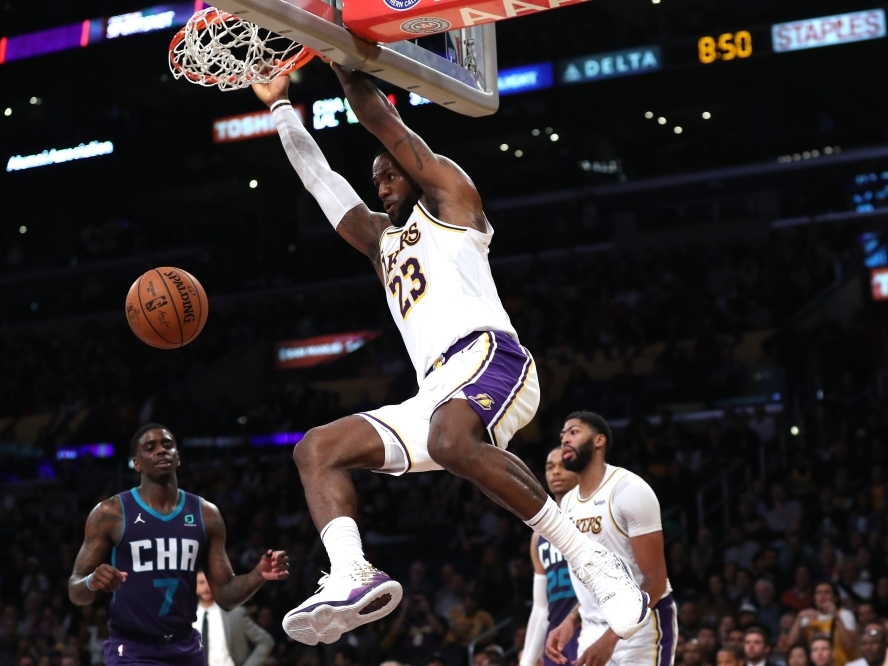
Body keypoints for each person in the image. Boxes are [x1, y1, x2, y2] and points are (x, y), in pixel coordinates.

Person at [250, 68, 648, 646]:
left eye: (391, 172)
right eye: (377, 178)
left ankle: (588, 558)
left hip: (491, 354)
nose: (383, 181)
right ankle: (351, 572)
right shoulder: (379, 241)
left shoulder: (452, 200)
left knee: (449, 441)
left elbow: (383, 121)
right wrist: (282, 106)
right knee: (317, 448)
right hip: (434, 388)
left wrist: (342, 61)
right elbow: (319, 178)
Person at [67, 424, 289, 666]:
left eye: (168, 445)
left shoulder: (206, 514)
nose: (161, 451)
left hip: (185, 647)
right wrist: (91, 581)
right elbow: (75, 590)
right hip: (132, 649)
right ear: (137, 463)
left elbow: (225, 595)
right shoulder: (110, 513)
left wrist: (258, 575)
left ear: (178, 458)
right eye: (150, 448)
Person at [545, 412, 673, 666]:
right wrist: (572, 619)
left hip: (640, 627)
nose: (565, 440)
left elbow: (655, 582)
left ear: (599, 440)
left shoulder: (629, 490)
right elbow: (594, 577)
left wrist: (611, 639)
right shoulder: (568, 502)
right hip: (592, 626)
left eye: (573, 432)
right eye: (562, 436)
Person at [521, 446, 581, 666]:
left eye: (563, 465)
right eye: (550, 467)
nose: (555, 472)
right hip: (556, 641)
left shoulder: (593, 519)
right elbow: (540, 607)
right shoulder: (538, 537)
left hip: (591, 628)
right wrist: (527, 660)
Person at [193, 571, 275, 666]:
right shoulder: (186, 618)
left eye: (209, 582)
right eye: (201, 582)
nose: (206, 587)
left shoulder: (235, 614)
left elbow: (266, 641)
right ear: (194, 585)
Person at [787, 583, 857, 666]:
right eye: (818, 593)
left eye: (826, 592)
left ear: (836, 598)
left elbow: (849, 645)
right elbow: (791, 643)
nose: (822, 596)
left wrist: (836, 617)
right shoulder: (809, 617)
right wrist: (799, 618)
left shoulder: (845, 615)